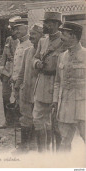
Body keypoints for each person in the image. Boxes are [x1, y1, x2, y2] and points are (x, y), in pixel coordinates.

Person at [33, 11, 64, 152]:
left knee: (57, 122)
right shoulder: (42, 41)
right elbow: (34, 58)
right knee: (38, 119)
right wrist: (37, 63)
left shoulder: (64, 42)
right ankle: (42, 153)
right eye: (45, 22)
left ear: (57, 24)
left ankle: (58, 155)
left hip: (57, 84)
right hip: (42, 84)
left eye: (49, 22)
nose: (45, 25)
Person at [52, 22, 85, 152]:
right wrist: (55, 101)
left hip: (83, 107)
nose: (61, 37)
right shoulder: (62, 57)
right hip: (65, 105)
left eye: (64, 34)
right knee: (64, 140)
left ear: (73, 35)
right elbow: (57, 82)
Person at [14, 24, 44, 152]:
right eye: (30, 34)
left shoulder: (45, 53)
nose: (31, 37)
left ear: (42, 37)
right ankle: (24, 145)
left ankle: (37, 146)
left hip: (40, 93)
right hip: (26, 91)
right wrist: (16, 88)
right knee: (25, 118)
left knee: (39, 120)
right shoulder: (27, 51)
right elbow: (21, 72)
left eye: (34, 34)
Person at [0, 16, 21, 129]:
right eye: (10, 28)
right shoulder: (8, 39)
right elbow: (4, 55)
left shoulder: (23, 41)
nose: (11, 31)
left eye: (13, 28)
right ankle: (8, 121)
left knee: (19, 96)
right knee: (5, 96)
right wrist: (2, 70)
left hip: (18, 70)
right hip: (7, 70)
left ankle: (18, 121)